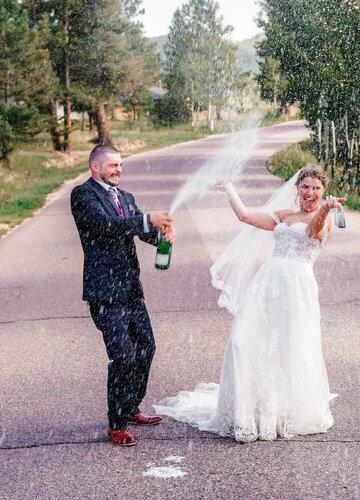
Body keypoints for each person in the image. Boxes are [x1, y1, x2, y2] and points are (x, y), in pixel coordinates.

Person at [154, 164, 341, 442]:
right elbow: (245, 216)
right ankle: (247, 409)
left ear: (323, 192)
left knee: (288, 347)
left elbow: (312, 232)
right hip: (266, 286)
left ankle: (281, 411)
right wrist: (229, 189)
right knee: (244, 341)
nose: (310, 192)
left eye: (316, 188)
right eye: (305, 187)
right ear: (297, 189)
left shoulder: (325, 218)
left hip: (296, 291)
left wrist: (326, 208)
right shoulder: (283, 215)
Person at [71, 144, 176, 446]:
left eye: (121, 165)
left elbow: (143, 231)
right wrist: (147, 220)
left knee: (146, 347)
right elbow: (106, 227)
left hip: (130, 289)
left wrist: (162, 235)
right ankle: (116, 424)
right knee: (123, 356)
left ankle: (130, 407)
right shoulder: (83, 195)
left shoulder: (126, 198)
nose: (119, 170)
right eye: (113, 165)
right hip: (105, 292)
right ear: (95, 167)